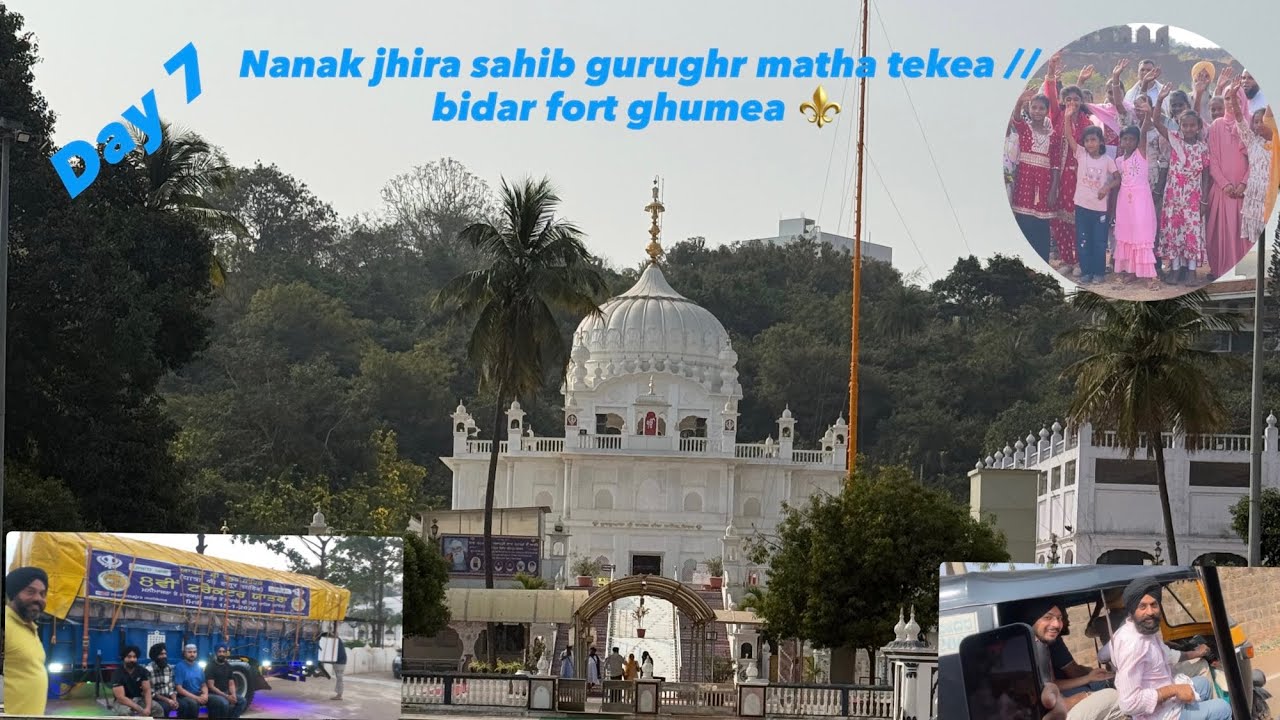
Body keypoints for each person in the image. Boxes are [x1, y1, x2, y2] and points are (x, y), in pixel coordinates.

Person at [1110, 577, 1227, 720]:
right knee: (1223, 708)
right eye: (1143, 606)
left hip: (1165, 700)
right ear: (1132, 610)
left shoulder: (1139, 631)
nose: (1150, 612)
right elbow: (1129, 703)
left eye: (1154, 605)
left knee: (1203, 684)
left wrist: (1196, 653)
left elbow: (1168, 656)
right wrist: (1173, 690)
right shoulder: (1133, 645)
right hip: (1161, 715)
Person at [1021, 598, 1126, 720]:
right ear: (1032, 621)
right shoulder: (1025, 652)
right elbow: (1049, 705)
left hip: (1061, 702)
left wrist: (1089, 677)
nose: (1057, 624)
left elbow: (1052, 684)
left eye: (1060, 618)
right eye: (1048, 617)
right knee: (1115, 697)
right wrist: (1084, 695)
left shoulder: (1040, 646)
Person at [1151, 84, 1210, 285]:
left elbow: (1206, 175)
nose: (1188, 129)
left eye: (1192, 125)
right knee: (1174, 232)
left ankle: (1192, 271)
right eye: (1185, 125)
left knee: (1191, 233)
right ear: (1180, 126)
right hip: (1174, 196)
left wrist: (1204, 200)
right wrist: (1159, 100)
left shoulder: (1203, 148)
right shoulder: (1175, 140)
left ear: (1199, 127)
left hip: (1193, 197)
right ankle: (1175, 270)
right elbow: (1156, 121)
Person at [1062, 109, 1119, 284]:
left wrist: (1106, 187)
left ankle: (1099, 273)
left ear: (1101, 142)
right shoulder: (1081, 154)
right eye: (1087, 140)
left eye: (1093, 140)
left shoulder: (1107, 160)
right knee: (1083, 241)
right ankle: (1087, 272)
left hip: (1099, 210)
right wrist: (1066, 117)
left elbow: (1117, 178)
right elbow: (1069, 137)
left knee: (1100, 242)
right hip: (1081, 207)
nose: (1090, 143)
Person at [1009, 85, 1062, 263]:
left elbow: (1055, 165)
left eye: (1041, 108)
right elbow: (1016, 119)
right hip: (1025, 181)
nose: (1037, 111)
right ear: (1029, 109)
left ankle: (1042, 263)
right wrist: (1019, 102)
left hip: (1044, 183)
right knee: (1025, 222)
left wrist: (1053, 189)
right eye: (1034, 107)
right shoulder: (1024, 129)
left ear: (1047, 111)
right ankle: (1026, 263)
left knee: (1041, 224)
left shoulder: (1053, 136)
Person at [1205, 80, 1250, 279]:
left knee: (1242, 234)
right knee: (1220, 234)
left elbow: (1255, 159)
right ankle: (1220, 271)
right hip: (1222, 192)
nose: (1231, 103)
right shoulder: (1216, 125)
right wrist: (1225, 185)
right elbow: (1212, 159)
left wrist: (1243, 184)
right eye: (1227, 98)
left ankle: (1241, 273)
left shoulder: (1249, 124)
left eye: (1235, 98)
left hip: (1244, 193)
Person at [1227, 78, 1275, 244]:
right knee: (1255, 241)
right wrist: (1233, 97)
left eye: (1263, 121)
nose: (1258, 124)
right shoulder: (1252, 141)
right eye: (1255, 121)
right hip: (1254, 196)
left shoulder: (1276, 144)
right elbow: (1239, 119)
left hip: (1270, 198)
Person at [1112, 121, 1159, 288]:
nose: (1128, 142)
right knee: (1128, 234)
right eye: (1125, 139)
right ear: (1121, 141)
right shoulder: (1118, 161)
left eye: (1132, 139)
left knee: (1142, 234)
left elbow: (1144, 129)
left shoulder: (1141, 154)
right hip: (1125, 201)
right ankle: (1132, 271)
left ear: (1138, 141)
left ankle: (1148, 275)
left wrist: (1147, 114)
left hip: (1141, 201)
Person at [4, 566, 50, 717]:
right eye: (30, 591)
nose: (38, 598)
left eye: (42, 594)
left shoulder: (29, 626)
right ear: (13, 593)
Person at [111, 645, 155, 717]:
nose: (132, 659)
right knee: (125, 712)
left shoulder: (142, 671)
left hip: (139, 699)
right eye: (129, 657)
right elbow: (120, 697)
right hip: (123, 702)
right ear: (124, 658)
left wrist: (148, 708)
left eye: (134, 657)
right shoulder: (117, 673)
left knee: (158, 709)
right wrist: (140, 709)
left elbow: (147, 690)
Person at [205, 644, 247, 718]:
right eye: (219, 651)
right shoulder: (210, 666)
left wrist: (233, 695)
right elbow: (211, 686)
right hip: (212, 694)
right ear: (216, 653)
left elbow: (231, 683)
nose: (222, 654)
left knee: (242, 701)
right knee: (224, 703)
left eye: (224, 652)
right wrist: (227, 696)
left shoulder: (228, 666)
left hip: (225, 693)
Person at [172, 644, 209, 719]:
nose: (192, 654)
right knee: (193, 704)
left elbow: (204, 685)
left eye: (194, 652)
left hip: (199, 694)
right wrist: (196, 698)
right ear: (184, 653)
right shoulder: (179, 667)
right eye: (189, 652)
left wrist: (205, 695)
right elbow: (179, 689)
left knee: (219, 702)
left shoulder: (199, 667)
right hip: (184, 696)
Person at [147, 643, 179, 718]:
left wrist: (174, 700)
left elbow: (171, 687)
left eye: (165, 654)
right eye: (161, 654)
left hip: (169, 697)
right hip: (156, 698)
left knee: (186, 705)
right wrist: (168, 700)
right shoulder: (148, 670)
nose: (164, 656)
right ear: (155, 656)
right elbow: (151, 693)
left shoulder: (169, 668)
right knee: (164, 707)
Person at [320, 632, 347, 700]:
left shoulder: (335, 641)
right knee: (339, 678)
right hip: (339, 661)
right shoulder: (337, 640)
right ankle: (339, 694)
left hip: (339, 662)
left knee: (339, 678)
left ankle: (339, 695)